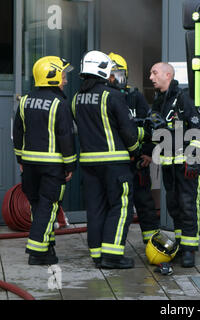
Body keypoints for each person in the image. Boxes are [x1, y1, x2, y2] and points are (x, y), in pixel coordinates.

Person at [72, 50, 139, 269]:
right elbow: (129, 132)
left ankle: (98, 255)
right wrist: (136, 148)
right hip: (115, 163)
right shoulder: (113, 96)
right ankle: (113, 255)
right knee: (121, 206)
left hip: (89, 165)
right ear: (102, 69)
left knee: (95, 208)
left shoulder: (76, 99)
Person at [13, 56, 76, 265]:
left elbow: (18, 133)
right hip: (52, 165)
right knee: (48, 206)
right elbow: (65, 136)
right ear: (52, 76)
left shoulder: (24, 101)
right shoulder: (60, 103)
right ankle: (37, 251)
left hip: (29, 165)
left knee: (37, 205)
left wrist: (20, 159)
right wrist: (70, 164)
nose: (65, 80)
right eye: (63, 75)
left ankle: (47, 248)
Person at [149, 62, 200, 268]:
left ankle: (190, 250)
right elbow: (159, 137)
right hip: (169, 166)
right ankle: (182, 244)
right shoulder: (158, 102)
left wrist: (193, 160)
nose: (151, 77)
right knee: (174, 207)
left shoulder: (183, 98)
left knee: (188, 207)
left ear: (168, 74)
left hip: (186, 166)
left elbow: (199, 129)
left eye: (154, 73)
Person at [107, 52, 160, 244]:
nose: (115, 79)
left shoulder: (134, 96)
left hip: (137, 162)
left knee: (144, 203)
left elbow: (150, 126)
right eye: (111, 74)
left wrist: (146, 152)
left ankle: (153, 243)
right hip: (115, 162)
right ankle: (112, 244)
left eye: (118, 74)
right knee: (117, 206)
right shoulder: (104, 97)